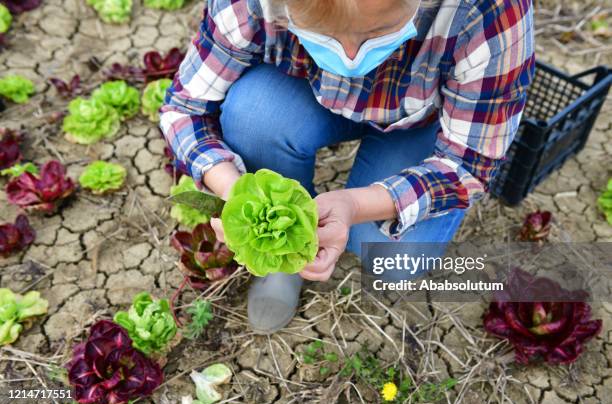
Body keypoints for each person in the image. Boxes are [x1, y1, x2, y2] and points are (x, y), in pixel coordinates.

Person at [160, 0, 535, 333]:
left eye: (377, 33)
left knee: (391, 259)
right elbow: (185, 108)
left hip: (422, 118)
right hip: (307, 91)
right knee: (254, 117)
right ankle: (284, 262)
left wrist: (355, 205)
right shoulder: (249, 3)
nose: (351, 57)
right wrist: (237, 193)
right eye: (320, 35)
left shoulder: (488, 9)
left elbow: (469, 164)